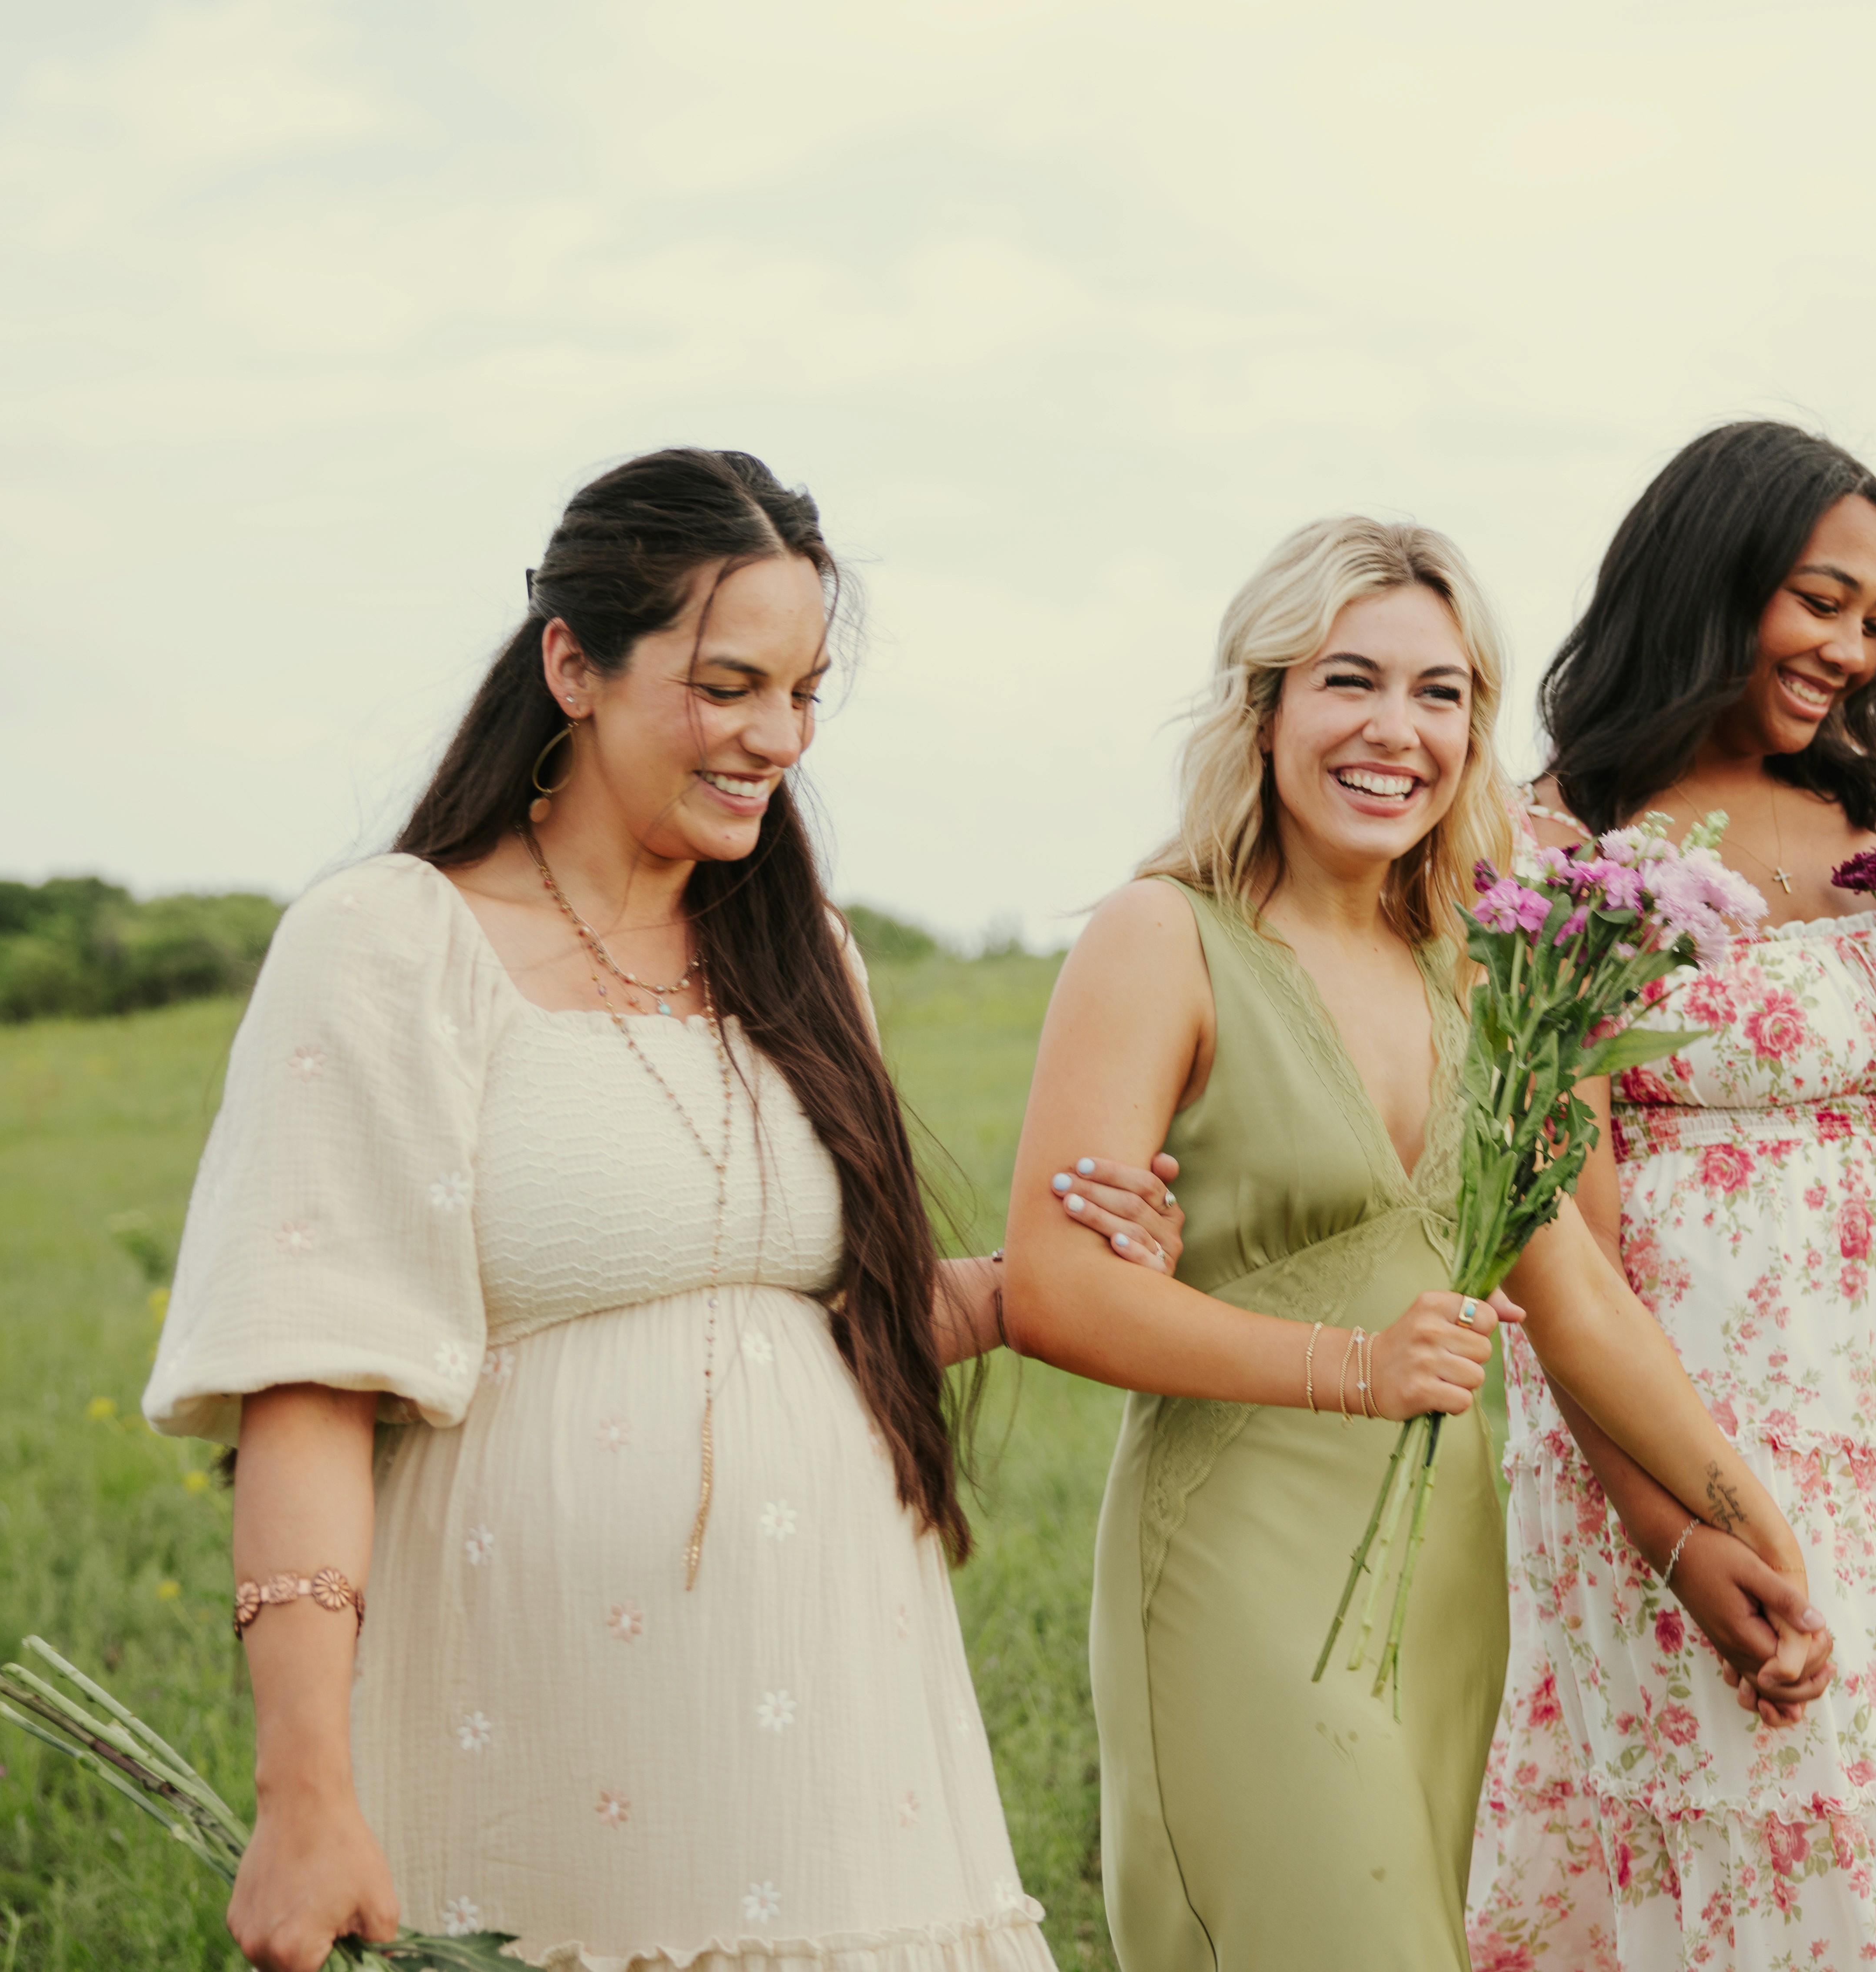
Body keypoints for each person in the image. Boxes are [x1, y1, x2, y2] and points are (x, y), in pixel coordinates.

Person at [141, 448, 1177, 1972]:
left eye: (805, 692)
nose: (775, 737)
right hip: (525, 1712)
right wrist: (303, 1790)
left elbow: (822, 1324)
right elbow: (309, 1376)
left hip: (834, 1712)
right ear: (572, 663)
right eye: (728, 683)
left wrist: (1046, 1282)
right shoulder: (389, 944)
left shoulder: (799, 951)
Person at [1002, 517, 1836, 1972]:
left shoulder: (1476, 964)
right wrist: (1353, 1367)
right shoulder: (1160, 937)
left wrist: (1738, 1523)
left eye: (1441, 694)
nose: (1397, 731)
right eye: (1349, 682)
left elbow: (1570, 1289)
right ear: (1262, 707)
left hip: (1444, 1576)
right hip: (1236, 1567)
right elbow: (1055, 1286)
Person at [1467, 422, 1876, 1968]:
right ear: (1708, 580)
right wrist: (1675, 1536)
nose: (1849, 650)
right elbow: (1564, 1257)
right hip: (1708, 1434)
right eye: (1819, 601)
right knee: (1788, 1837)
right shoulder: (1565, 848)